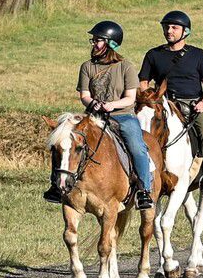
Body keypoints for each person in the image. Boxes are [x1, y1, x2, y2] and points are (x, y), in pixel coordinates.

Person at [55, 20, 154, 210]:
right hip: (93, 117)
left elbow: (130, 98)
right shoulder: (87, 67)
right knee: (63, 140)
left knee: (137, 146)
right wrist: (93, 104)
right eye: (93, 40)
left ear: (111, 43)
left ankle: (144, 191)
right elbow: (84, 95)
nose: (93, 44)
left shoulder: (126, 67)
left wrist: (111, 105)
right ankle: (56, 186)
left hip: (123, 116)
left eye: (98, 40)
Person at [139, 9, 203, 192]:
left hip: (192, 104)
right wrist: (151, 98)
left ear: (186, 32)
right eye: (166, 27)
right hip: (164, 104)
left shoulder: (198, 55)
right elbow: (143, 82)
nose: (169, 31)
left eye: (174, 27)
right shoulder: (153, 55)